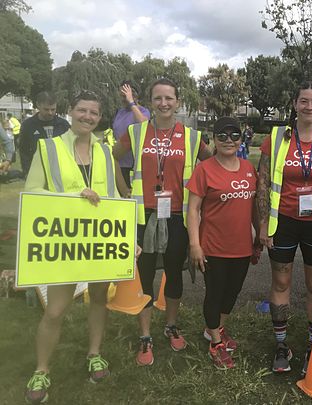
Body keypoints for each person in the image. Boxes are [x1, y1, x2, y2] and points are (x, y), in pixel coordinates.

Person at [24, 91, 119, 404]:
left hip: (100, 241)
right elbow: (34, 193)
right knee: (55, 310)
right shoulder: (48, 148)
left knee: (99, 299)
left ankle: (94, 354)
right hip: (64, 242)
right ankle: (41, 368)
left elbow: (115, 198)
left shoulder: (105, 152)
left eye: (94, 113)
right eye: (82, 111)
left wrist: (127, 239)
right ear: (70, 111)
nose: (88, 117)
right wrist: (76, 196)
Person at [113, 77, 212, 367]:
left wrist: (202, 195)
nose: (164, 103)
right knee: (144, 275)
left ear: (178, 102)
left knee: (173, 272)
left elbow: (211, 163)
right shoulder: (136, 131)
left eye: (169, 98)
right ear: (150, 101)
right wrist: (123, 190)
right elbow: (112, 158)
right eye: (158, 98)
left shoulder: (191, 136)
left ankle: (170, 325)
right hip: (144, 216)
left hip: (177, 216)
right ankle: (145, 335)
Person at [257, 81, 312, 375]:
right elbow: (263, 182)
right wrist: (262, 223)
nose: (309, 107)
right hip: (283, 223)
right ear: (295, 104)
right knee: (280, 283)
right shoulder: (276, 138)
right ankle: (281, 345)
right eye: (304, 101)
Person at [187, 116, 260, 369]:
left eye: (234, 135)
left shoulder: (249, 168)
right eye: (222, 136)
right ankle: (215, 343)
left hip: (241, 247)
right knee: (215, 293)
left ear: (241, 139)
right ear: (214, 140)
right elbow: (193, 209)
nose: (229, 140)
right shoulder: (204, 169)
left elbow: (253, 208)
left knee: (232, 293)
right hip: (213, 247)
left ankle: (215, 328)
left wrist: (258, 237)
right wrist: (195, 245)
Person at [19, 92, 71, 177]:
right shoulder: (28, 126)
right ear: (38, 105)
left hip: (62, 171)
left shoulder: (64, 125)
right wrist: (27, 171)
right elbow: (23, 151)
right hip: (37, 172)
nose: (50, 113)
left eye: (53, 109)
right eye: (46, 109)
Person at [112, 80, 151, 188]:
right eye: (121, 95)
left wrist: (131, 102)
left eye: (124, 96)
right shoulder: (120, 112)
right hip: (119, 163)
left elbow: (143, 124)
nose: (122, 99)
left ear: (134, 95)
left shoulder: (143, 111)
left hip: (134, 165)